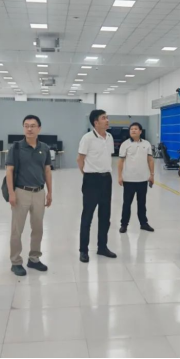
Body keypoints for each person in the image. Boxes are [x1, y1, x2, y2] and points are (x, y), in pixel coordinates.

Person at [6, 115, 53, 276]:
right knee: (17, 229)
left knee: (38, 228)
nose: (29, 129)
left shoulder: (44, 148)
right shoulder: (16, 148)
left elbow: (47, 170)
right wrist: (11, 193)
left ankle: (34, 258)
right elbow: (9, 171)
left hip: (39, 192)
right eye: (26, 126)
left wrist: (50, 192)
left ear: (39, 128)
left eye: (33, 126)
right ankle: (15, 262)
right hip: (21, 192)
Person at [77, 109, 116, 263]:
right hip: (91, 180)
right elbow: (80, 159)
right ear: (96, 122)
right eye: (104, 118)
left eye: (107, 117)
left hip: (107, 179)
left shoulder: (110, 137)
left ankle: (102, 247)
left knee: (105, 216)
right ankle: (83, 250)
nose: (107, 120)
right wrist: (87, 174)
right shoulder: (87, 138)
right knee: (87, 216)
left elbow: (108, 156)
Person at [118, 122, 155, 233]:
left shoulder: (146, 144)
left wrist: (152, 175)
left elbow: (150, 160)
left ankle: (143, 223)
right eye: (131, 129)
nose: (133, 130)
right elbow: (121, 161)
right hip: (128, 179)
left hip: (143, 179)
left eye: (135, 129)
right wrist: (119, 176)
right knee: (127, 204)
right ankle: (124, 224)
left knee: (142, 204)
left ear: (140, 131)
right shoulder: (125, 144)